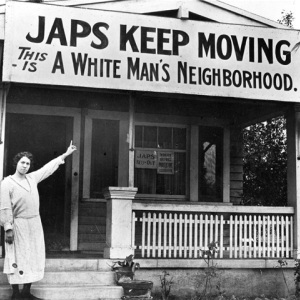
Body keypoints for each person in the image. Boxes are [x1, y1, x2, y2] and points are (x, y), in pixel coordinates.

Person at [0, 141, 77, 300]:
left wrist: (65, 154)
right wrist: (8, 228)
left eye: (28, 163)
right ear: (16, 163)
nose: (25, 166)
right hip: (18, 224)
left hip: (34, 223)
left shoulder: (32, 178)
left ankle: (26, 292)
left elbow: (47, 168)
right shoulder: (7, 183)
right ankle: (15, 293)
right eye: (22, 162)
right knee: (17, 256)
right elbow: (5, 207)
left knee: (33, 255)